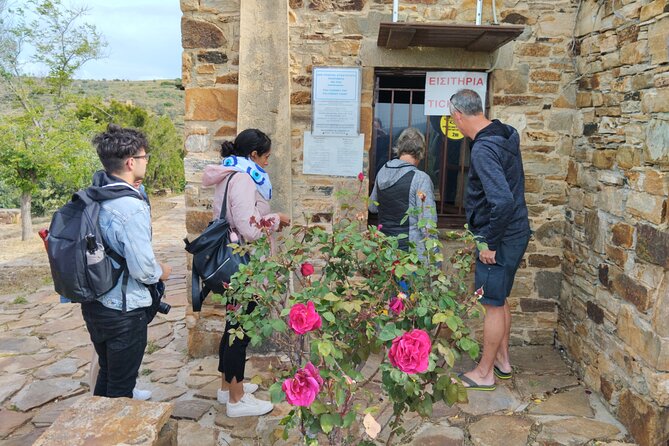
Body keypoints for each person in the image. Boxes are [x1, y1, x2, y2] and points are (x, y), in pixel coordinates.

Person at [202, 128, 290, 418]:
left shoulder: (232, 174)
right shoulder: (241, 179)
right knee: (238, 332)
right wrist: (277, 219)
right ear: (253, 155)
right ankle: (237, 400)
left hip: (236, 265)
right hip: (244, 267)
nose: (267, 162)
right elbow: (250, 228)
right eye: (265, 157)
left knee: (233, 326)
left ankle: (227, 386)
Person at [81, 123, 172, 398]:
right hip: (123, 311)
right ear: (132, 162)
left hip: (95, 303)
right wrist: (162, 271)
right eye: (145, 157)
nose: (146, 162)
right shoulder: (130, 207)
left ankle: (97, 428)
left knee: (108, 372)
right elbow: (144, 270)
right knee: (120, 388)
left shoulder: (95, 194)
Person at [448, 89, 531, 391]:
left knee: (492, 304)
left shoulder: (483, 150)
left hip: (501, 236)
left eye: (452, 119)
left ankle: (484, 373)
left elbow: (502, 201)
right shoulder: (506, 133)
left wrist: (490, 244)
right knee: (501, 297)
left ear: (458, 115)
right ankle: (503, 361)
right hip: (517, 231)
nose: (454, 124)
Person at [368, 127, 438, 260]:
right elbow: (427, 226)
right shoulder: (420, 178)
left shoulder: (382, 171)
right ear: (421, 152)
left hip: (385, 248)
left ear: (399, 148)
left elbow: (372, 207)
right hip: (411, 253)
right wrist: (434, 258)